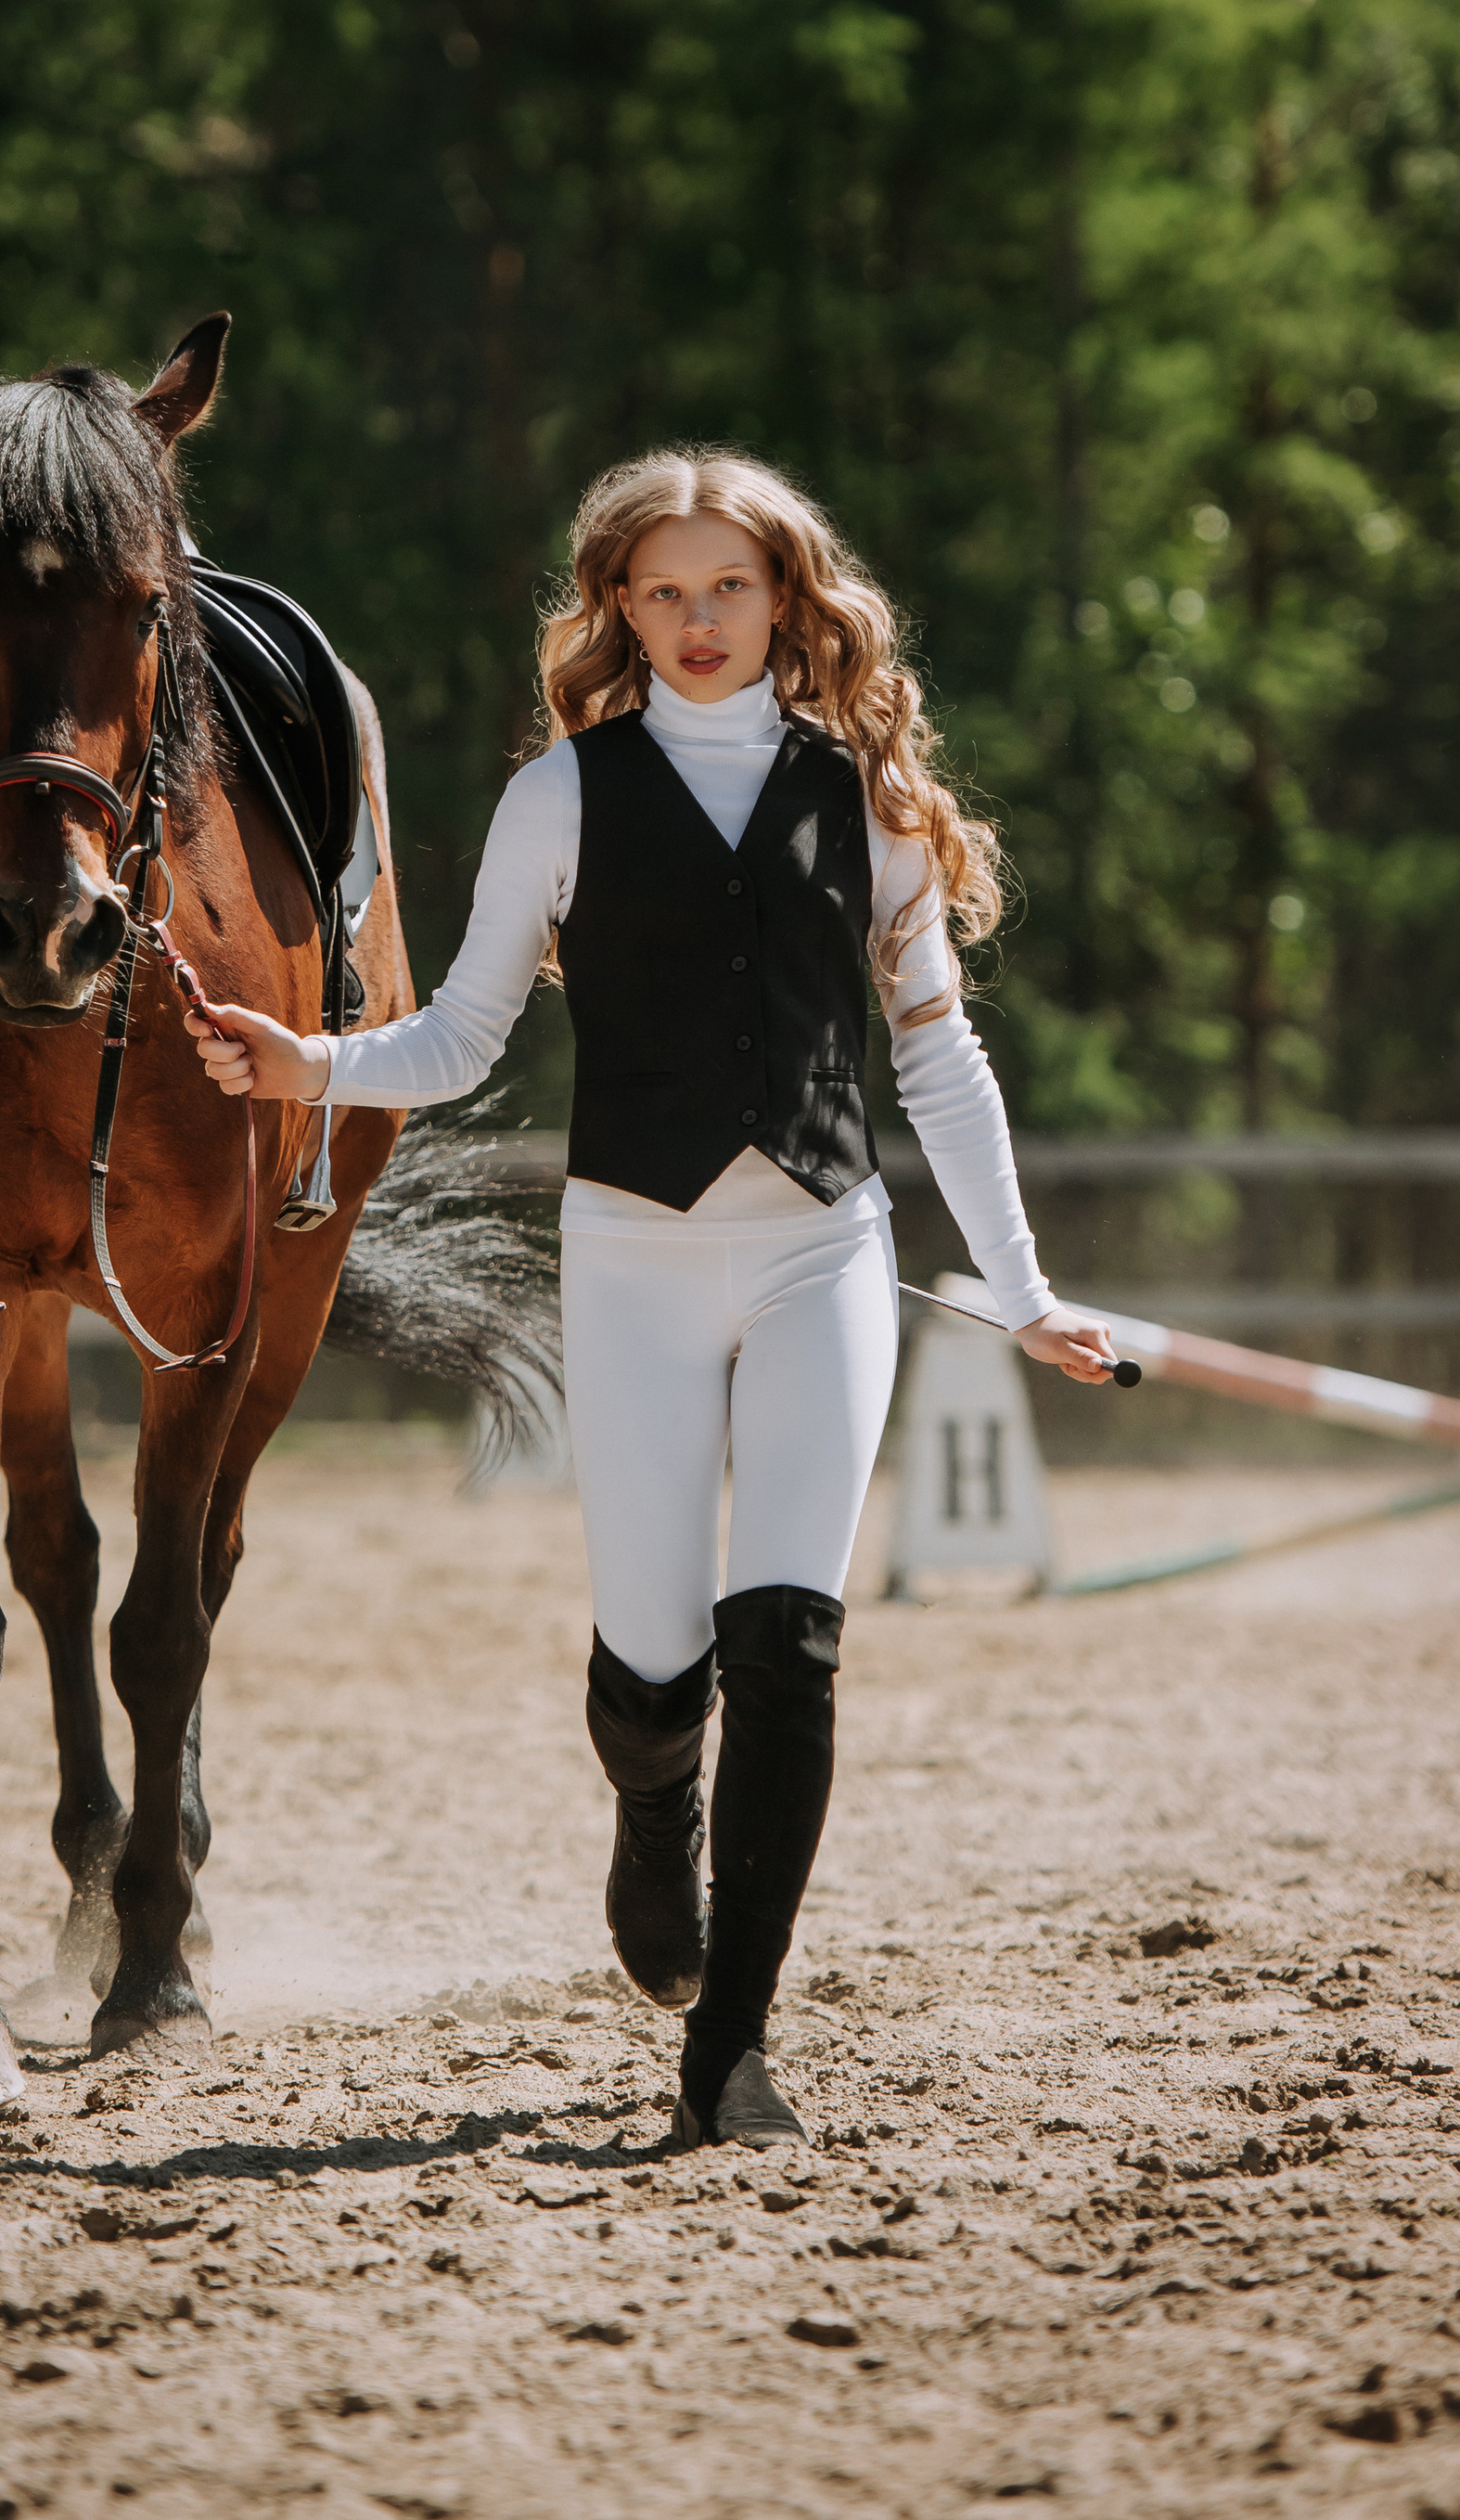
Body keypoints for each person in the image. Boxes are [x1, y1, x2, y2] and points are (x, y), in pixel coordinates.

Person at [186, 450, 1114, 2149]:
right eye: (666, 590)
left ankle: (731, 2049)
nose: (700, 619)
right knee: (654, 1659)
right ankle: (651, 1800)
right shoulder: (561, 797)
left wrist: (1025, 1288)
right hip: (631, 1262)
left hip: (824, 1253)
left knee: (792, 1645)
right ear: (617, 603)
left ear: (787, 596)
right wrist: (307, 1063)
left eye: (731, 586)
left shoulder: (870, 794)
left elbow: (939, 1058)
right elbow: (459, 1038)